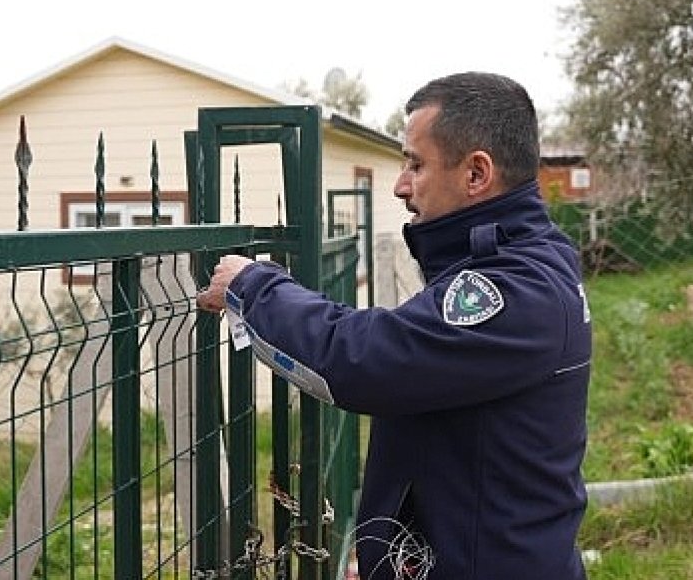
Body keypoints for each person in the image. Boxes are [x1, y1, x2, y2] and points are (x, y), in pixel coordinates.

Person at [197, 72, 591, 579]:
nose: (401, 184)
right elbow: (448, 425)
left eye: (416, 164)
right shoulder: (525, 258)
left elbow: (362, 360)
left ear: (476, 173)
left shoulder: (516, 292)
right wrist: (392, 552)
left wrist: (251, 284)